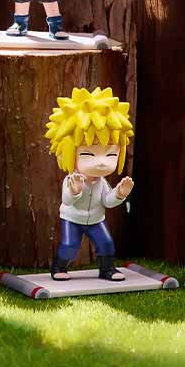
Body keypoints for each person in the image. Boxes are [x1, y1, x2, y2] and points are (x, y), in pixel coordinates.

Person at [45, 86, 135, 280]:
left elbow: (107, 201)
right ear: (70, 153)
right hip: (72, 219)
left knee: (106, 243)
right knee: (70, 245)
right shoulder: (72, 179)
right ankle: (59, 267)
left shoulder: (101, 182)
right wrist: (74, 191)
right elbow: (67, 201)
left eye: (110, 155)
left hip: (96, 219)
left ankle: (107, 269)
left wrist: (119, 194)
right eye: (88, 154)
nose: (101, 162)